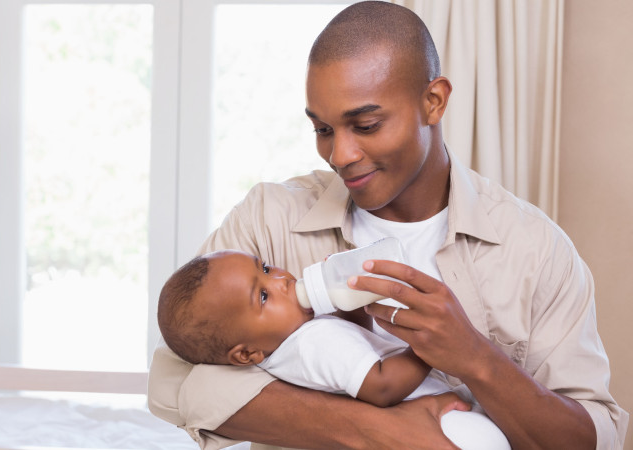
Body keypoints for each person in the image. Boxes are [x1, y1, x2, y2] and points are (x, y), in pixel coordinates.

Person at [147, 2, 629, 449]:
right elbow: (176, 382)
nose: (340, 155)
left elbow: (595, 437)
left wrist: (476, 359)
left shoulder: (535, 250)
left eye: (367, 125)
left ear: (434, 101)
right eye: (323, 129)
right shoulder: (269, 219)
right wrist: (381, 432)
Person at [157, 249, 511, 450]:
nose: (280, 279)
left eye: (265, 268)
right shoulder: (310, 343)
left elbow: (354, 360)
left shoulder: (296, 345)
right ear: (246, 354)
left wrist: (351, 309)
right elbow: (382, 386)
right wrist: (427, 345)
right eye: (263, 295)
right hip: (448, 433)